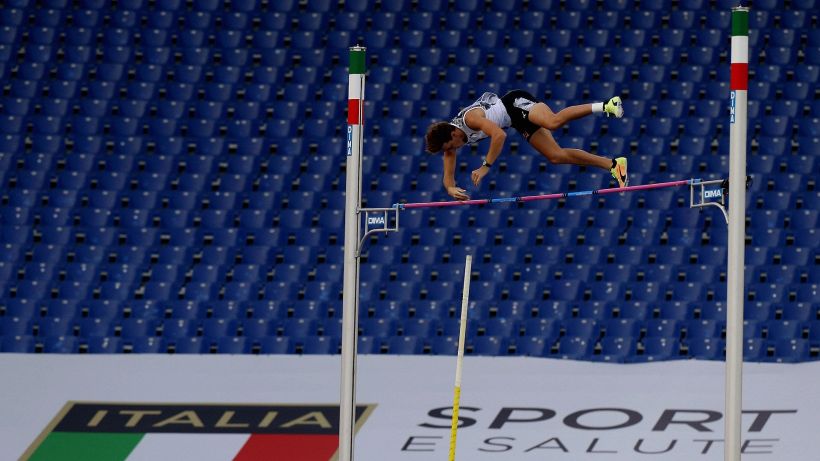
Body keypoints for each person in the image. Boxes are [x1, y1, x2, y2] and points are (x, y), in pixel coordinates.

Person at [424, 90, 628, 201]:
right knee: (556, 156)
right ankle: (613, 165)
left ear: (452, 133)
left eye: (450, 146)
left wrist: (486, 166)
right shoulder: (450, 145)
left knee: (553, 122)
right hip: (515, 120)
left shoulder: (471, 120)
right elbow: (448, 179)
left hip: (514, 104)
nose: (452, 150)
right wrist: (451, 189)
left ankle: (606, 105)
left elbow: (498, 135)